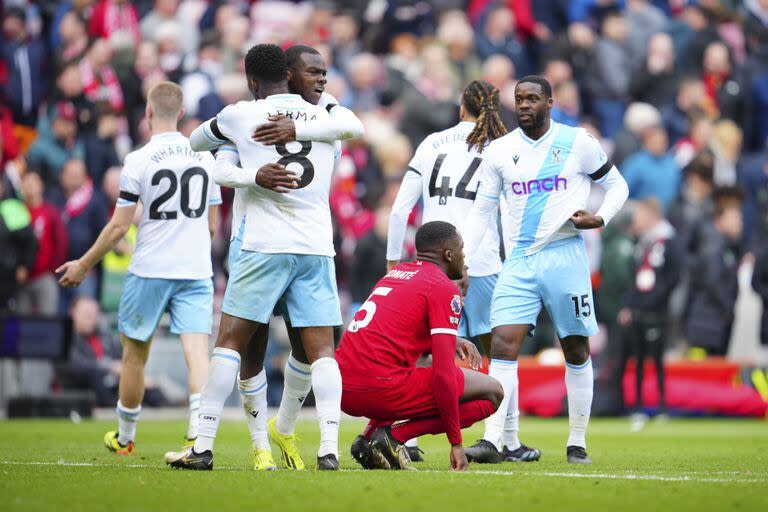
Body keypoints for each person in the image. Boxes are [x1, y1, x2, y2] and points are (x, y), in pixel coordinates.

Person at [165, 44, 344, 472]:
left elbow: (195, 143)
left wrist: (247, 168)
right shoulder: (329, 119)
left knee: (233, 343)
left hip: (259, 243)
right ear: (292, 74)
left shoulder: (240, 115)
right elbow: (349, 129)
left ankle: (205, 445)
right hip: (317, 246)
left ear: (251, 82)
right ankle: (329, 449)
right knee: (322, 351)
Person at [463, 75, 629, 464]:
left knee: (575, 347)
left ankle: (577, 442)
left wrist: (601, 217)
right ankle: (492, 439)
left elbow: (618, 186)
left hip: (566, 255)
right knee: (502, 343)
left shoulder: (578, 142)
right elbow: (482, 212)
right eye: (519, 99)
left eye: (532, 99)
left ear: (550, 103)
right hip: (518, 260)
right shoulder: (500, 151)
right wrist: (465, 259)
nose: (524, 105)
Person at [57, 81, 221, 456]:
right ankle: (198, 433)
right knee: (197, 352)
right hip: (195, 268)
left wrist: (83, 264)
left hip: (149, 268)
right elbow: (212, 226)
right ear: (181, 114)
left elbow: (119, 226)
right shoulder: (206, 159)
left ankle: (125, 437)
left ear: (147, 114)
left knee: (134, 355)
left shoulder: (137, 160)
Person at [385, 79, 533, 460]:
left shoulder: (431, 143)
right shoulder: (503, 149)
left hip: (432, 265)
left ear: (460, 106)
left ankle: (408, 441)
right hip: (482, 262)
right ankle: (505, 439)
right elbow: (507, 210)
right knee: (499, 351)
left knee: (422, 351)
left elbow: (401, 208)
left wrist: (391, 260)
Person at [338, 221, 503, 471]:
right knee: (493, 392)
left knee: (416, 360)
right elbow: (444, 374)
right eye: (462, 250)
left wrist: (452, 341)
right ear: (449, 254)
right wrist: (455, 443)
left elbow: (391, 336)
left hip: (342, 389)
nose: (464, 256)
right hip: (379, 389)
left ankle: (366, 438)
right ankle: (395, 437)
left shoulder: (396, 274)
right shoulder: (443, 287)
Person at [617, 198, 682, 431]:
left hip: (658, 311)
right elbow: (633, 279)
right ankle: (638, 406)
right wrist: (629, 305)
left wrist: (654, 301)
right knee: (639, 359)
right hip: (639, 311)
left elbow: (674, 276)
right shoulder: (641, 242)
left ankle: (662, 406)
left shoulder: (668, 241)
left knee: (657, 359)